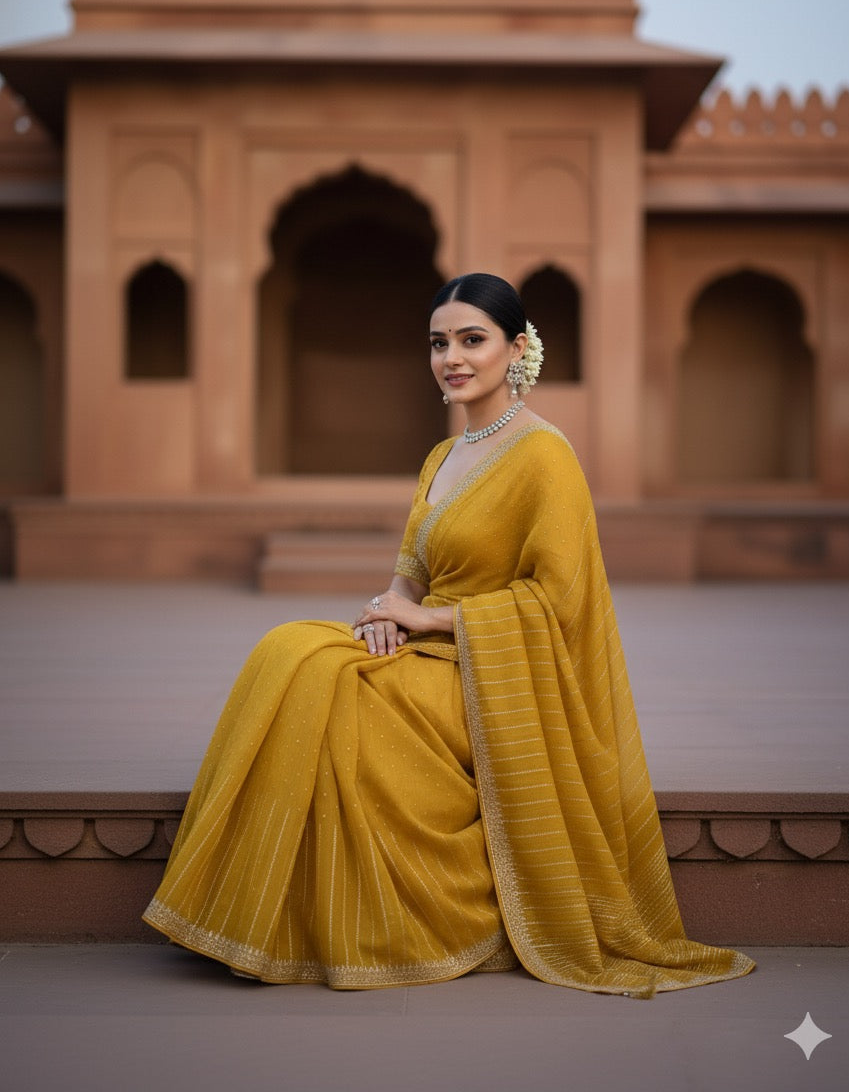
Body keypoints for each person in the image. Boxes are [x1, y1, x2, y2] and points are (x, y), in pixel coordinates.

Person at [143, 272, 755, 997]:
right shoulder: (444, 456)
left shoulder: (545, 457)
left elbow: (558, 603)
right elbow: (409, 571)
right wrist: (385, 614)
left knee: (327, 687)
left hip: (495, 674)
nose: (452, 358)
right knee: (291, 649)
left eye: (473, 340)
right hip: (428, 648)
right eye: (440, 343)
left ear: (516, 348)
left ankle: (311, 919)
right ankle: (242, 913)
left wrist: (427, 620)